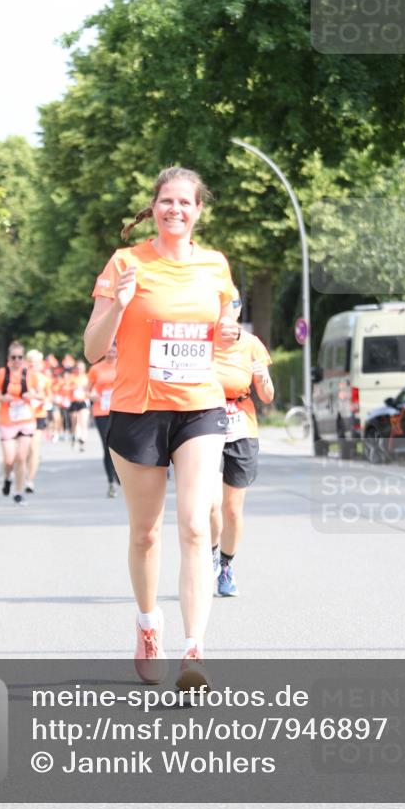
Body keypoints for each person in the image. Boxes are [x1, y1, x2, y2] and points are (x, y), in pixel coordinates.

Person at [84, 166, 239, 689]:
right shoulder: (125, 263)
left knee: (196, 526)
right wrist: (121, 304)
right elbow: (90, 348)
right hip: (138, 408)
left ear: (199, 211)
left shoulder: (216, 266)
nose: (176, 209)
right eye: (166, 201)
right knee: (146, 533)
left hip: (200, 407)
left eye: (186, 203)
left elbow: (225, 328)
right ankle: (149, 625)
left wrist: (230, 332)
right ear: (153, 207)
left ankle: (194, 649)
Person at [210, 290, 275, 597]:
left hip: (241, 425)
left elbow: (267, 396)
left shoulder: (251, 344)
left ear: (238, 310)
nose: (226, 311)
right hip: (204, 421)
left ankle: (226, 565)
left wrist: (262, 379)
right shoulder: (200, 341)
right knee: (209, 504)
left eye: (232, 305)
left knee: (233, 509)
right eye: (220, 305)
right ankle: (208, 553)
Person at [0, 341, 36, 505]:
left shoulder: (30, 374)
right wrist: (3, 398)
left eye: (20, 357)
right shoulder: (2, 373)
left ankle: (18, 491)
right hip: (7, 420)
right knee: (9, 459)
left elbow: (41, 394)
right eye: (13, 357)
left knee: (21, 457)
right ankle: (8, 477)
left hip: (25, 419)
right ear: (9, 358)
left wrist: (31, 395)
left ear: (23, 358)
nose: (17, 360)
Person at [87, 343, 120, 497]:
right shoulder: (96, 369)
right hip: (101, 411)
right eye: (108, 351)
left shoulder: (123, 365)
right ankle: (111, 482)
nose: (111, 353)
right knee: (107, 446)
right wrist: (93, 396)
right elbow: (88, 391)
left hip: (120, 409)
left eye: (113, 350)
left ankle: (121, 475)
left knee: (121, 445)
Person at [24, 349, 52, 493]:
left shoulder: (45, 379)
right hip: (23, 415)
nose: (34, 365)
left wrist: (42, 399)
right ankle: (24, 474)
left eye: (36, 362)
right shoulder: (23, 377)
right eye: (31, 362)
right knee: (25, 449)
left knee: (34, 448)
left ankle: (30, 480)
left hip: (38, 414)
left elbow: (49, 396)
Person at [69, 360, 90, 450]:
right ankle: (74, 436)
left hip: (83, 401)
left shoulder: (87, 377)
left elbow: (90, 388)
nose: (79, 370)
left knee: (83, 421)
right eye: (78, 368)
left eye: (81, 368)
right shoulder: (72, 378)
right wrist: (73, 387)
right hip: (73, 402)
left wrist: (85, 388)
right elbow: (65, 387)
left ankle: (83, 440)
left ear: (84, 369)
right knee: (75, 422)